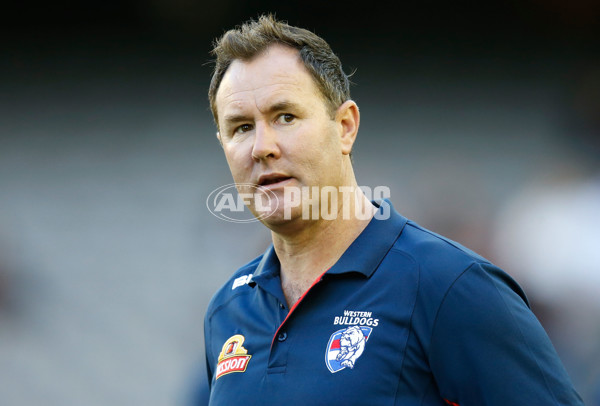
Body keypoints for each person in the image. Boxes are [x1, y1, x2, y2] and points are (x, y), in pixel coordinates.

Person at [201, 14, 584, 405]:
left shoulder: (451, 287)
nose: (261, 146)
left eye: (286, 117)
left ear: (345, 126)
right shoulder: (227, 311)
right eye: (241, 127)